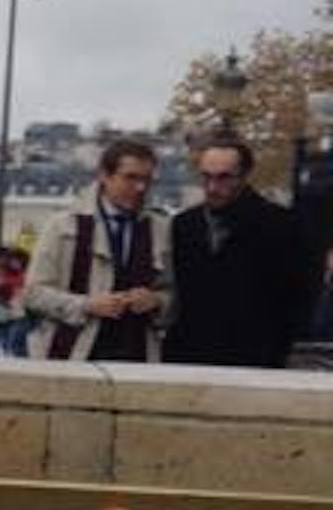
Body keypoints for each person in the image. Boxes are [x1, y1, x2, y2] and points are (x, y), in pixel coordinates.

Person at [23, 135, 173, 363]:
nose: (140, 188)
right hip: (73, 355)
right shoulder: (62, 225)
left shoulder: (162, 228)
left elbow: (176, 296)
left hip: (138, 355)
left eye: (147, 180)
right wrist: (87, 305)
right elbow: (33, 294)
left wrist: (156, 301)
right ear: (104, 175)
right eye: (130, 178)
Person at [169, 138, 307, 368]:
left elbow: (295, 298)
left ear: (245, 176)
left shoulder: (282, 226)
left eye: (223, 177)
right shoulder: (184, 224)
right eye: (206, 177)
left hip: (255, 359)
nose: (212, 187)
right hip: (190, 358)